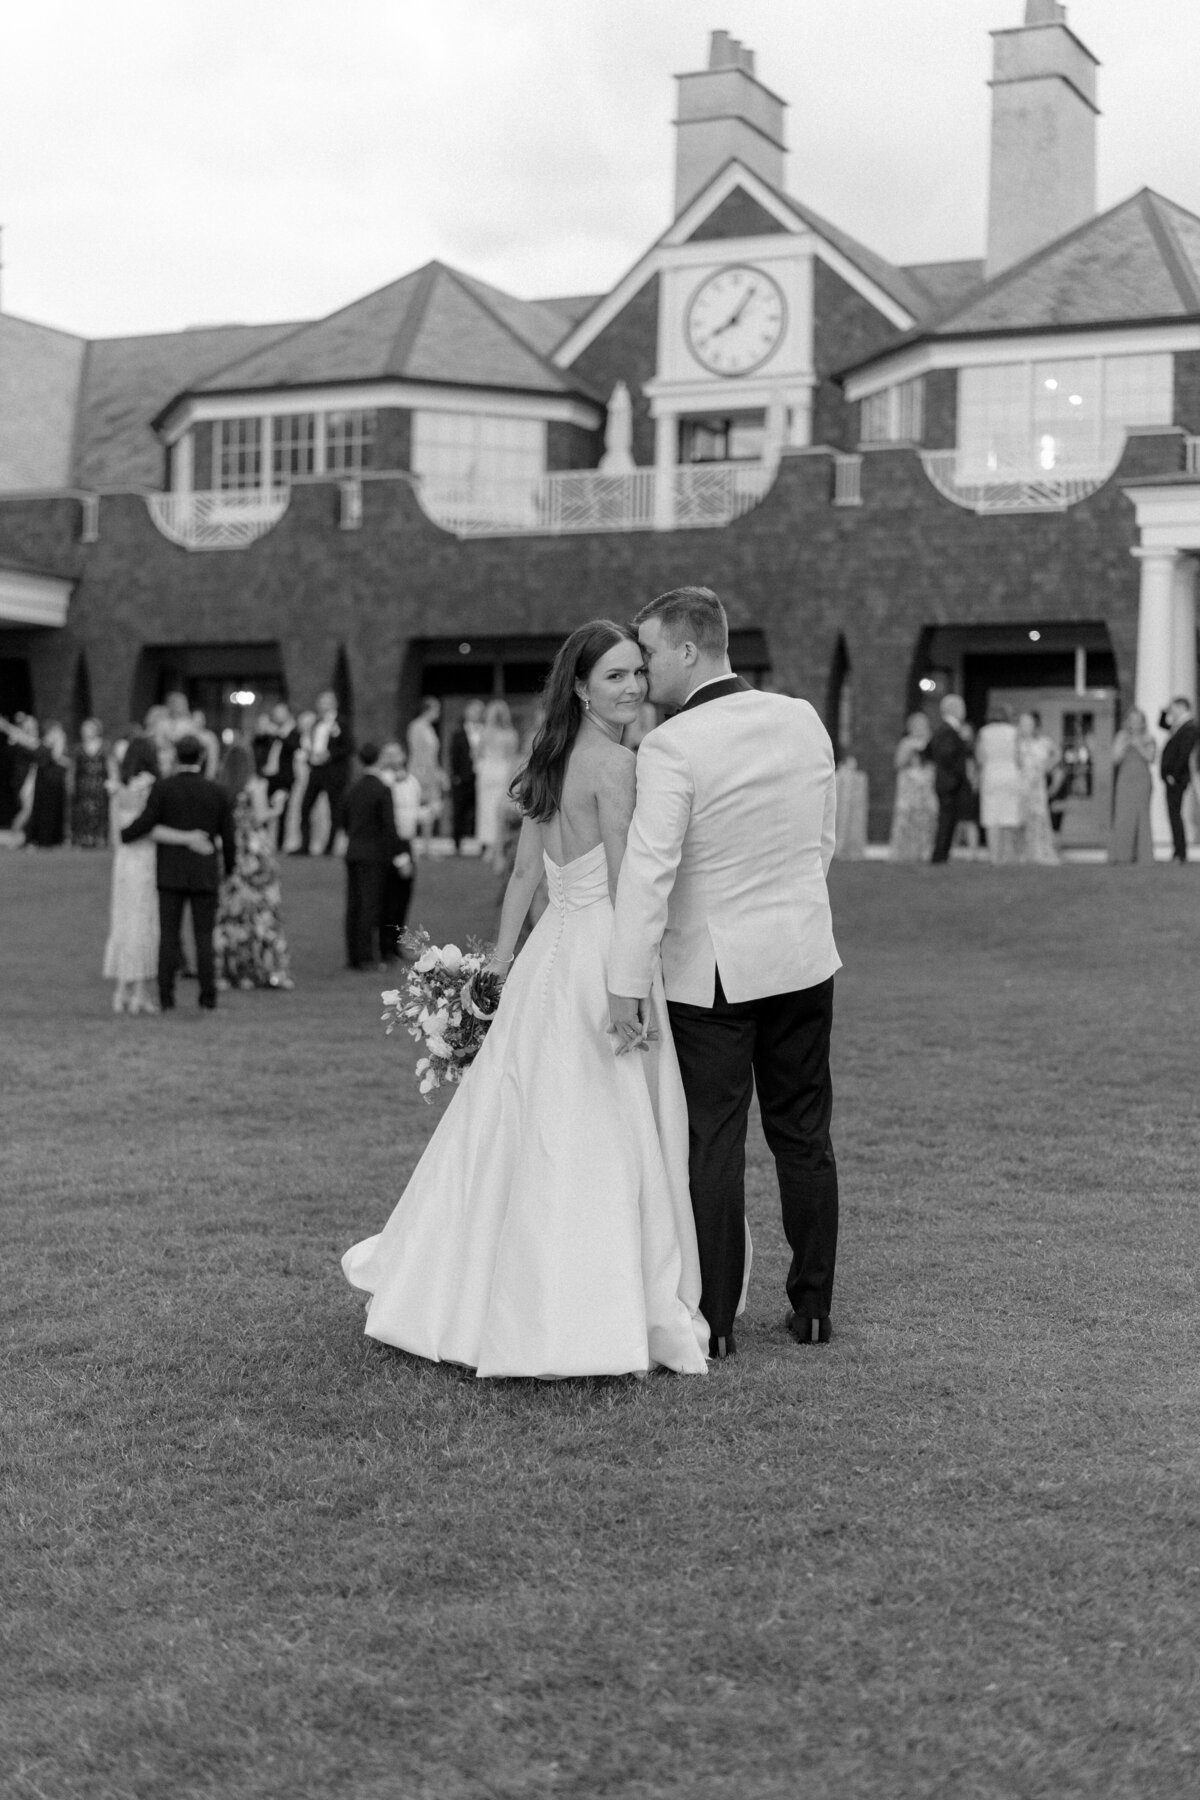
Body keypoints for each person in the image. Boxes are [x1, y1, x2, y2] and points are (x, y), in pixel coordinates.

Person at [342, 620, 709, 1379]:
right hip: (602, 950)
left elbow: (524, 880)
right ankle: (586, 1305)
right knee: (600, 1122)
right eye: (616, 676)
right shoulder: (617, 763)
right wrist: (628, 982)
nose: (635, 687)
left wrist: (502, 971)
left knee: (517, 1116)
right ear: (580, 686)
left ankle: (468, 1291)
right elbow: (623, 880)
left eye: (639, 672)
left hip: (549, 958)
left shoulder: (548, 758)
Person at [609, 585, 840, 1358]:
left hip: (712, 975)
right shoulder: (801, 716)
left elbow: (649, 873)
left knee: (714, 1143)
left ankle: (715, 1325)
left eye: (645, 652)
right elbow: (824, 839)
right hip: (804, 958)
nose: (640, 670)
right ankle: (813, 1310)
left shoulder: (673, 745)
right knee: (804, 1134)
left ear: (685, 649)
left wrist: (624, 980)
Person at [121, 734, 236, 1011]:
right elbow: (229, 837)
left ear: (176, 758)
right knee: (204, 937)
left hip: (171, 872)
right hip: (204, 872)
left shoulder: (164, 788)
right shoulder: (216, 791)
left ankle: (166, 996)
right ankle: (208, 996)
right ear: (202, 757)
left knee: (169, 936)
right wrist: (228, 869)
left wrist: (125, 832)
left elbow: (147, 822)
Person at [212, 739, 294, 990]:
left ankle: (230, 970)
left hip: (229, 848)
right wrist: (277, 808)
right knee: (262, 911)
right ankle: (264, 968)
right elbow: (259, 817)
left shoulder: (221, 787)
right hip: (254, 851)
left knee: (232, 912)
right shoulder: (255, 785)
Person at [103, 736, 163, 1014]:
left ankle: (121, 991)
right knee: (143, 922)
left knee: (124, 921)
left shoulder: (119, 790)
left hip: (123, 862)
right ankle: (139, 992)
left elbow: (116, 835)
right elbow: (151, 826)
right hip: (146, 858)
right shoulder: (149, 788)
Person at [341, 743, 407, 971]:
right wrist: (398, 857)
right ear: (379, 759)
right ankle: (367, 957)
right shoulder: (381, 789)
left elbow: (343, 819)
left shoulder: (353, 788)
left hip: (354, 851)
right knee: (370, 905)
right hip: (375, 855)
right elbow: (390, 827)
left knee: (354, 905)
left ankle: (353, 955)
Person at [298, 690, 354, 855]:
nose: (323, 705)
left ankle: (329, 846)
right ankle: (305, 845)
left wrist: (330, 754)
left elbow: (349, 747)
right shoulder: (316, 724)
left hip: (333, 771)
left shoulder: (341, 723)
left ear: (334, 704)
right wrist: (310, 758)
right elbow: (312, 745)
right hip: (316, 770)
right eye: (321, 702)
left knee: (334, 809)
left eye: (327, 702)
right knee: (305, 807)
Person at [379, 740, 420, 961]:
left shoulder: (411, 781)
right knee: (390, 895)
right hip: (392, 843)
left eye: (396, 754)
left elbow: (412, 810)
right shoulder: (384, 782)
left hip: (408, 841)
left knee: (404, 895)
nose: (393, 759)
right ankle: (385, 945)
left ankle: (396, 942)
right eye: (389, 754)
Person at [1108, 706, 1157, 863]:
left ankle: (1143, 856)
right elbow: (1115, 758)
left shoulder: (1149, 738)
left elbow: (1151, 758)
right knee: (1123, 816)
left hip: (1142, 780)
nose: (1135, 724)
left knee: (1142, 816)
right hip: (1125, 780)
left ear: (1143, 722)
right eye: (1132, 720)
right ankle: (1121, 855)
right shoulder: (1121, 736)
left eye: (1138, 721)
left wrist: (1138, 745)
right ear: (1128, 722)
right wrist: (1124, 745)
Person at [475, 698, 520, 864]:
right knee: (498, 809)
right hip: (502, 771)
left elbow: (478, 753)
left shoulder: (485, 733)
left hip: (487, 771)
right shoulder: (510, 734)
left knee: (486, 810)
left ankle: (489, 847)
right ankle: (496, 846)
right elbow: (512, 757)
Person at [927, 695, 971, 863]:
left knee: (949, 819)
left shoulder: (943, 730)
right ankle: (939, 855)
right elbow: (947, 755)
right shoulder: (947, 730)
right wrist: (957, 775)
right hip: (949, 782)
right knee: (946, 819)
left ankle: (943, 854)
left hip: (947, 781)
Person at [976, 703, 1022, 863]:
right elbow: (1018, 756)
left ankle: (994, 856)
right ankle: (1008, 855)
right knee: (1008, 815)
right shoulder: (1014, 732)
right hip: (1010, 773)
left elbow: (980, 758)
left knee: (991, 816)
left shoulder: (984, 732)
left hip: (991, 774)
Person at [888, 712, 937, 861]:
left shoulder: (931, 741)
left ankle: (924, 851)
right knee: (907, 816)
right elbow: (898, 763)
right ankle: (904, 852)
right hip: (909, 782)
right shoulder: (906, 743)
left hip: (926, 781)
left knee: (926, 817)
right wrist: (911, 754)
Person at [1016, 710, 1060, 865]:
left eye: (1028, 723)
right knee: (1022, 818)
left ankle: (1041, 851)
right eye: (1022, 723)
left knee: (1039, 817)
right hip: (1021, 784)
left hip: (1037, 785)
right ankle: (1023, 852)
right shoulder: (1017, 744)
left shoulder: (1043, 742)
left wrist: (1047, 767)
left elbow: (1057, 754)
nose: (1025, 727)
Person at [1159, 697, 1197, 864]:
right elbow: (1162, 725)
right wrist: (1164, 712)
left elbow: (1184, 753)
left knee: (1175, 814)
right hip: (1174, 777)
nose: (1171, 711)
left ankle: (1180, 852)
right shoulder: (1180, 725)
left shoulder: (1190, 727)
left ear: (1182, 707)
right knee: (1173, 814)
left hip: (1177, 778)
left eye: (1173, 708)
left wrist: (1173, 774)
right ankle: (1177, 851)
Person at [405, 695, 446, 846]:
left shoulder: (429, 728)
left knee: (431, 807)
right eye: (436, 709)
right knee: (417, 805)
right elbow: (417, 751)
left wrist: (438, 771)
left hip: (431, 770)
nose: (438, 713)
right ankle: (410, 842)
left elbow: (432, 754)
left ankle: (427, 844)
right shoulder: (416, 726)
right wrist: (425, 771)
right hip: (420, 770)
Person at [24, 722, 70, 848]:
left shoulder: (58, 745)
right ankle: (36, 838)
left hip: (53, 782)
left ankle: (51, 839)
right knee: (39, 809)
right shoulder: (40, 744)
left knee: (52, 810)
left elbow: (58, 757)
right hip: (42, 782)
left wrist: (59, 740)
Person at [448, 699, 483, 852]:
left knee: (479, 810)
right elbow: (453, 755)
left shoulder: (484, 731)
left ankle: (480, 842)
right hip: (463, 777)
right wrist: (456, 775)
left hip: (480, 776)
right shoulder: (458, 733)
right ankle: (457, 842)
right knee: (459, 810)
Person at [71, 718, 110, 847]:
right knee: (83, 811)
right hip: (84, 784)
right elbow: (73, 768)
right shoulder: (78, 748)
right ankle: (85, 837)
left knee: (100, 810)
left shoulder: (105, 746)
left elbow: (110, 765)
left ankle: (99, 837)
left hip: (99, 783)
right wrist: (71, 784)